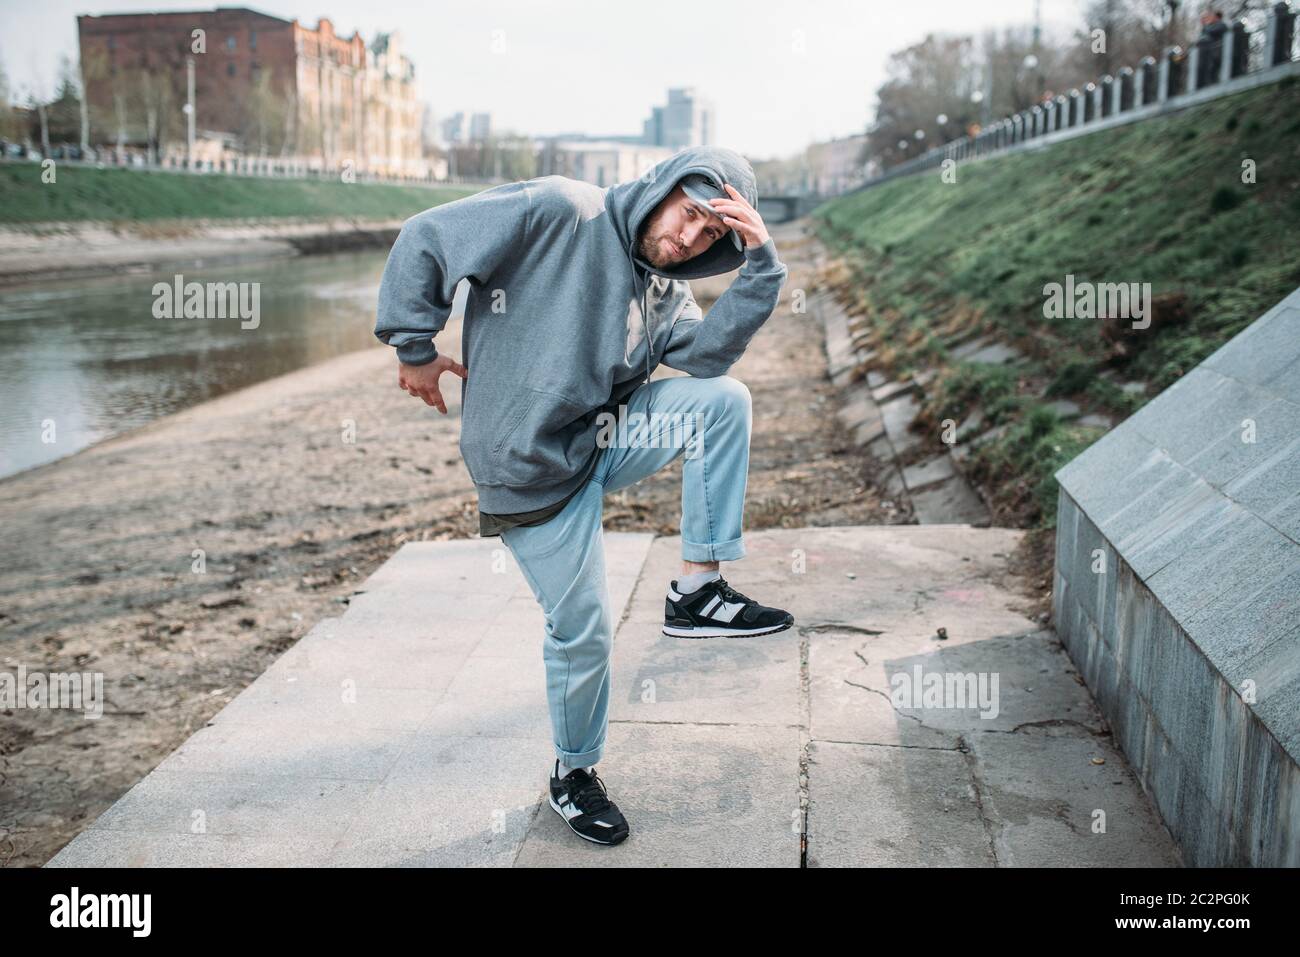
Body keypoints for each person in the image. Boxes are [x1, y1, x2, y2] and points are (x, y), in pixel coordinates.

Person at [373, 146, 795, 846]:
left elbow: (706, 359)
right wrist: (413, 344)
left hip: (602, 438)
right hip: (530, 466)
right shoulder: (562, 209)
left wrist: (762, 268)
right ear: (662, 188)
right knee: (585, 629)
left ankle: (698, 591)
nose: (690, 238)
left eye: (713, 236)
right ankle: (574, 773)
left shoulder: (668, 292)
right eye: (690, 214)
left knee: (723, 400)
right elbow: (427, 236)